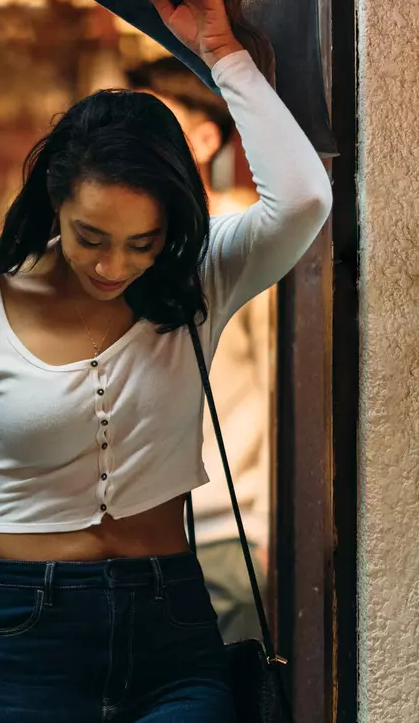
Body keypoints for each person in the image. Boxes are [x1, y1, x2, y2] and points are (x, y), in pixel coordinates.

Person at [0, 0, 331, 722]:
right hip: (21, 637)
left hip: (171, 627)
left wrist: (224, 56)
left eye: (142, 243)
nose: (113, 266)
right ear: (54, 202)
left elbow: (306, 199)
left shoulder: (200, 282)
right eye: (91, 237)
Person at [127, 55, 275, 644]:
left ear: (206, 138)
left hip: (225, 529)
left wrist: (271, 524)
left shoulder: (239, 234)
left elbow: (280, 381)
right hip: (131, 535)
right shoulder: (126, 245)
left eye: (157, 124)